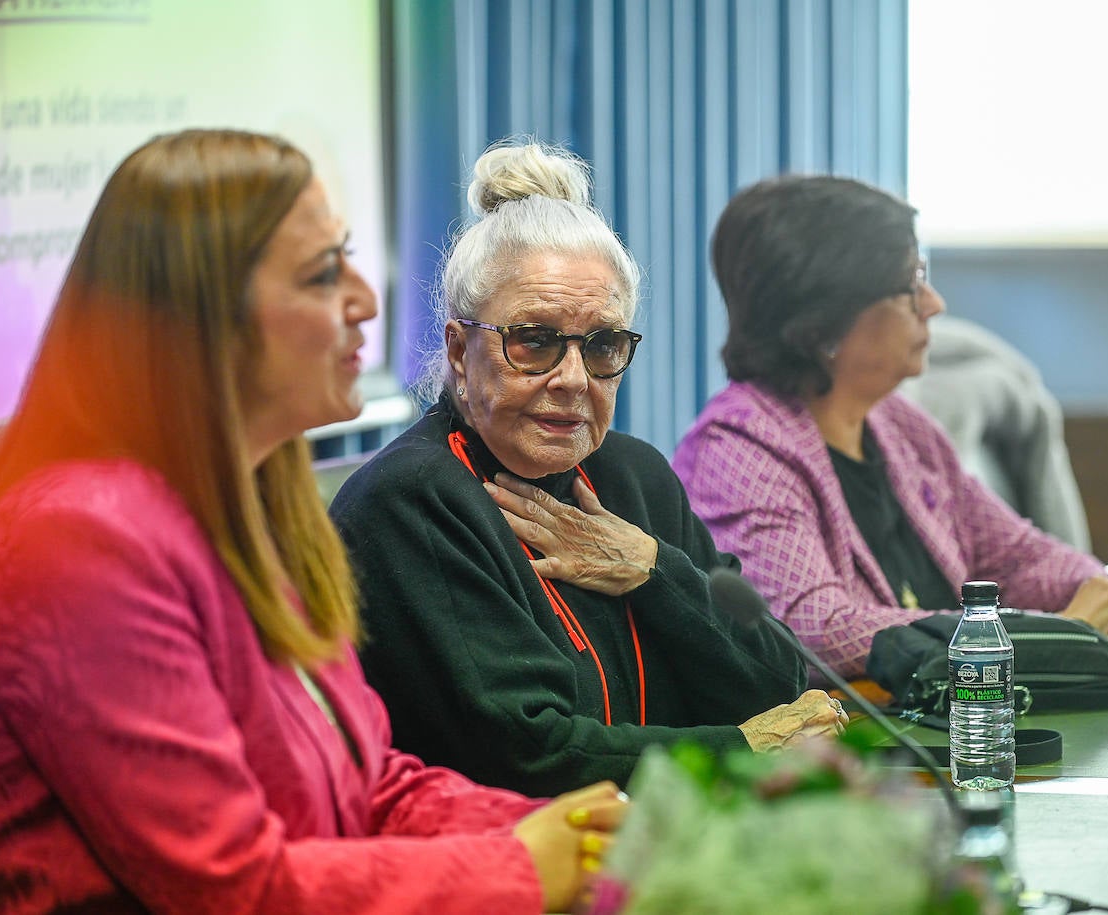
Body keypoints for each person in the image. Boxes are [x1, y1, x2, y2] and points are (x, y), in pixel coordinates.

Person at [0, 129, 628, 915]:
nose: (366, 299)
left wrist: (570, 832)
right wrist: (523, 870)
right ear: (199, 320)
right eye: (324, 273)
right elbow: (231, 887)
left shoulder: (250, 508)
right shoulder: (75, 546)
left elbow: (364, 782)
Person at [329, 141, 846, 798]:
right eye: (534, 341)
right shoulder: (411, 502)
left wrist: (654, 571)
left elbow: (774, 681)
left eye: (603, 344)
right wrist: (740, 748)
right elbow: (525, 752)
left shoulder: (636, 476)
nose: (573, 379)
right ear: (460, 351)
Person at [672, 175, 1108, 680]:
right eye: (911, 287)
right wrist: (1056, 635)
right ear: (825, 324)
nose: (934, 305)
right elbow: (818, 629)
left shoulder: (899, 425)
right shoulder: (737, 451)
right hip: (852, 751)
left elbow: (1017, 555)